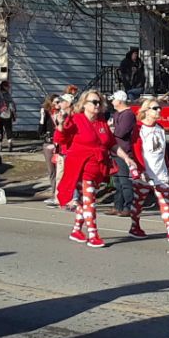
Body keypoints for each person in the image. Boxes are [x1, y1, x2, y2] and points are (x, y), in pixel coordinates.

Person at [55, 89, 138, 248]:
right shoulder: (76, 119)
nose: (97, 105)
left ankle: (76, 230)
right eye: (94, 102)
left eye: (99, 102)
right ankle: (93, 234)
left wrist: (127, 159)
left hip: (98, 166)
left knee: (85, 200)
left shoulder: (101, 122)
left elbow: (112, 144)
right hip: (80, 166)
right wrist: (60, 125)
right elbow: (61, 138)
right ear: (84, 104)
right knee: (90, 199)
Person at [128, 96, 169, 242]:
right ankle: (135, 226)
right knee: (138, 202)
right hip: (145, 172)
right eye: (155, 108)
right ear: (146, 111)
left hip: (160, 172)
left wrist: (166, 168)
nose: (159, 110)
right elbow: (135, 151)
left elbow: (163, 151)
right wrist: (139, 170)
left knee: (165, 199)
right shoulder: (139, 129)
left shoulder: (160, 128)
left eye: (159, 108)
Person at [107, 90, 137, 217]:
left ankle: (128, 206)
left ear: (119, 101)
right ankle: (117, 206)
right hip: (114, 151)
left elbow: (120, 132)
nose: (112, 102)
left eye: (113, 99)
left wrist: (111, 128)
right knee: (117, 182)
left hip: (123, 151)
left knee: (125, 181)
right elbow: (109, 129)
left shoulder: (128, 115)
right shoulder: (115, 114)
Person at [39, 94, 61, 206]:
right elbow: (40, 131)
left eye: (59, 102)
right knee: (52, 170)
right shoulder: (47, 114)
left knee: (60, 170)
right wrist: (42, 118)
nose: (58, 104)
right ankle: (54, 193)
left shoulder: (63, 114)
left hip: (60, 144)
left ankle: (60, 194)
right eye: (56, 102)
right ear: (51, 103)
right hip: (49, 143)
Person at [0, 80, 16, 151]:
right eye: (8, 86)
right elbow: (12, 105)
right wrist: (14, 114)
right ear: (5, 87)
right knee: (8, 129)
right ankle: (10, 142)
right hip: (7, 114)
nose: (9, 88)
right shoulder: (8, 95)